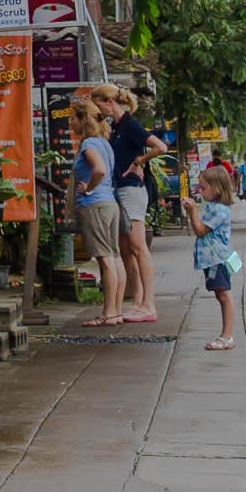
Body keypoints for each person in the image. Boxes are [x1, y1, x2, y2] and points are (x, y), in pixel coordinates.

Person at [108, 88, 166, 323]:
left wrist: (139, 161)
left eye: (99, 103)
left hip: (132, 189)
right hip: (120, 189)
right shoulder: (116, 128)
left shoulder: (130, 125)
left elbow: (161, 147)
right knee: (126, 249)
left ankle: (149, 304)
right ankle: (138, 301)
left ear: (109, 102)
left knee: (137, 246)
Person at [71, 93, 125, 327]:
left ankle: (108, 313)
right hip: (110, 204)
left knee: (105, 259)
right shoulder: (104, 143)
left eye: (73, 119)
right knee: (114, 256)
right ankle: (116, 311)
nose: (71, 124)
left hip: (95, 205)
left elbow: (100, 169)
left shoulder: (89, 144)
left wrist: (89, 189)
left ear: (83, 120)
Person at [183, 161, 239, 351]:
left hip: (217, 259)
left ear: (216, 189)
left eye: (203, 187)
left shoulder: (218, 210)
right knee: (220, 294)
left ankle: (227, 336)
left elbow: (200, 231)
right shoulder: (212, 206)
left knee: (224, 294)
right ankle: (226, 336)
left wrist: (192, 211)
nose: (200, 191)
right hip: (213, 259)